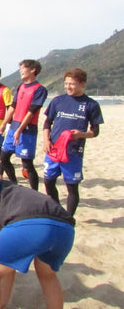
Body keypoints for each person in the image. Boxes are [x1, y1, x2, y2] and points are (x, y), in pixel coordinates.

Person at [0, 178, 75, 309]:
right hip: (65, 228)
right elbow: (9, 268)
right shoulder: (16, 194)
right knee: (48, 276)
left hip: (30, 223)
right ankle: (2, 304)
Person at [43, 68, 104, 216]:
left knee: (72, 187)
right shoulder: (57, 101)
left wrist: (81, 135)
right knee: (48, 181)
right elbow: (47, 123)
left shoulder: (91, 104)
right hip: (53, 150)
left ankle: (69, 217)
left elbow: (95, 132)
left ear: (82, 84)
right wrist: (46, 139)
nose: (68, 87)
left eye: (73, 84)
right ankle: (56, 209)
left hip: (74, 152)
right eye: (66, 83)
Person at [0, 60, 47, 190]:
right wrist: (4, 124)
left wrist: (20, 130)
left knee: (27, 164)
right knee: (3, 158)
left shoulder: (40, 89)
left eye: (23, 68)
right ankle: (14, 185)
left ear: (33, 70)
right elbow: (13, 107)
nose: (20, 71)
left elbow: (32, 111)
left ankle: (34, 193)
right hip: (14, 126)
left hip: (27, 129)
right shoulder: (21, 87)